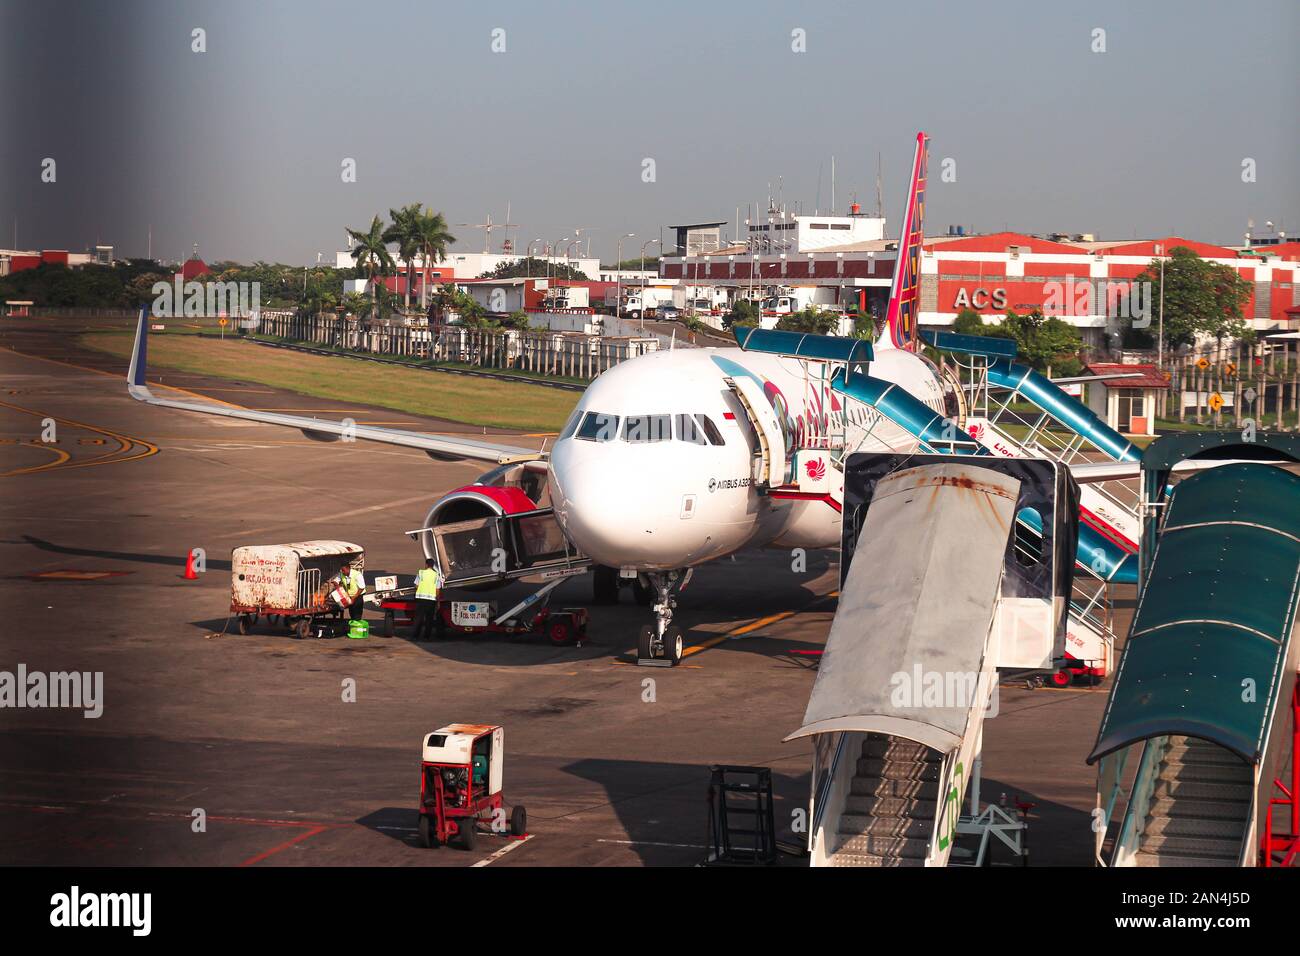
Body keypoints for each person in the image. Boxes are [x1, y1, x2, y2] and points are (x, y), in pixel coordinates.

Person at [412, 558, 442, 642]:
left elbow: (416, 585)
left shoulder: (421, 572)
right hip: (431, 600)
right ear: (433, 566)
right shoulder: (436, 575)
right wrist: (438, 601)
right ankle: (426, 637)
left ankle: (415, 636)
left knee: (418, 618)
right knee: (429, 619)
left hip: (421, 598)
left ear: (426, 564)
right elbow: (437, 589)